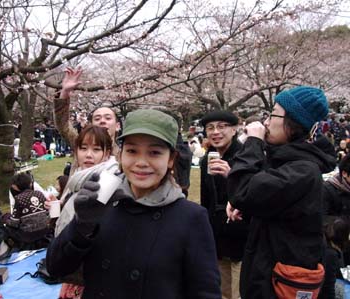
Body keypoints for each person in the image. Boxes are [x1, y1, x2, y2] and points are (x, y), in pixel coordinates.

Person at [46, 109, 222, 299]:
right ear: (120, 155)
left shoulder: (190, 217)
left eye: (154, 152)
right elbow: (56, 268)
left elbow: (205, 292)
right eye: (132, 151)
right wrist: (81, 226)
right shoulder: (100, 204)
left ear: (171, 159)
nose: (141, 162)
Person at [227, 86, 337, 299]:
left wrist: (253, 142)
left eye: (273, 114)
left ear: (295, 123)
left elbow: (243, 190)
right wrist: (247, 206)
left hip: (279, 283)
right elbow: (261, 197)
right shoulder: (290, 161)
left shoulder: (302, 170)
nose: (266, 122)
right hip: (270, 273)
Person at [51, 124, 118, 299]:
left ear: (107, 153)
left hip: (90, 277)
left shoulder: (106, 181)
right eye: (83, 148)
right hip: (71, 267)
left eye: (96, 149)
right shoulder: (79, 176)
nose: (88, 154)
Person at [200, 110, 248, 299]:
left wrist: (232, 177)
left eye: (222, 126)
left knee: (240, 291)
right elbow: (206, 201)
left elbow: (255, 195)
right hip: (216, 235)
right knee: (220, 290)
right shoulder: (207, 160)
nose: (215, 132)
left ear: (234, 129)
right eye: (210, 128)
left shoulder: (246, 157)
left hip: (242, 235)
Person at [53, 67, 121, 162]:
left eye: (108, 118)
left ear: (117, 126)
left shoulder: (123, 156)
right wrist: (65, 92)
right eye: (97, 119)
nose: (102, 121)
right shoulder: (80, 143)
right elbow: (63, 125)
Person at [6, 173, 50, 250]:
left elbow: (14, 223)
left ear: (15, 187)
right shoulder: (39, 193)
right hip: (45, 231)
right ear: (30, 184)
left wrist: (6, 219)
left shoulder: (18, 199)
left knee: (8, 227)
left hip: (28, 235)